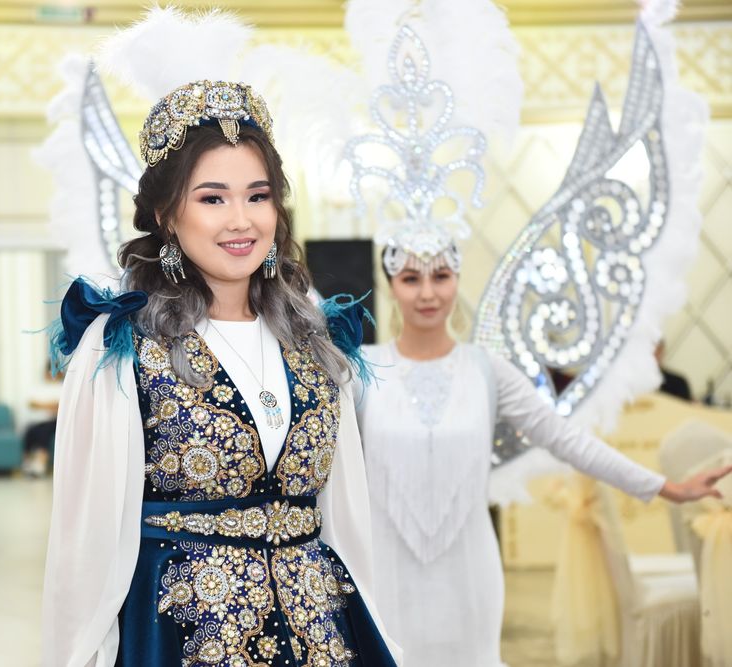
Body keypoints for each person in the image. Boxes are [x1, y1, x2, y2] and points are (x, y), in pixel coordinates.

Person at [42, 81, 402, 667]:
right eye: (212, 199)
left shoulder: (317, 344)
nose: (241, 221)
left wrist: (382, 635)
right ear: (167, 215)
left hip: (320, 638)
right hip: (179, 640)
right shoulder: (122, 348)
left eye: (258, 196)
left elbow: (348, 525)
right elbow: (85, 548)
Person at [356, 235, 732, 667]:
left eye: (440, 276)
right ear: (391, 286)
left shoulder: (486, 370)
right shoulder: (360, 368)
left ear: (457, 279)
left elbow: (565, 438)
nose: (427, 292)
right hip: (385, 573)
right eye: (410, 279)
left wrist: (666, 487)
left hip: (470, 572)